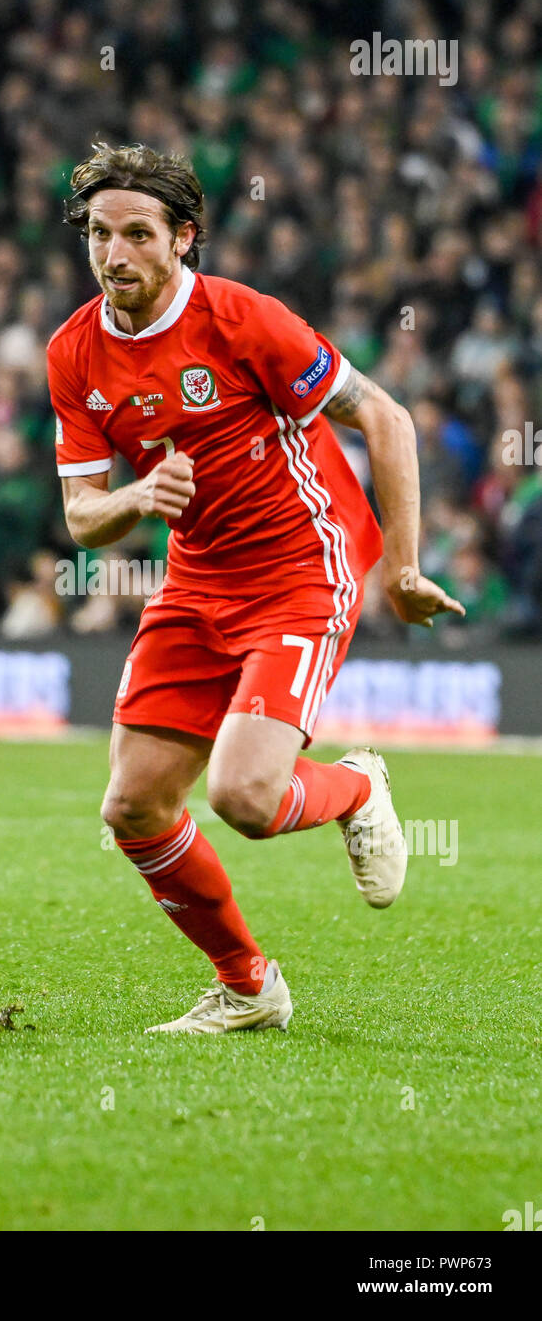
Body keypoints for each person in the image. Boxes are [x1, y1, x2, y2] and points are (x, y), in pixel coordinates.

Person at [47, 142, 466, 1034]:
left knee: (243, 797)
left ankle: (355, 787)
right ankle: (248, 987)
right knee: (132, 807)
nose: (113, 254)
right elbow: (83, 516)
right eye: (97, 234)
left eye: (136, 234)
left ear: (183, 239)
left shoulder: (244, 321)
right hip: (197, 581)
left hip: (300, 571)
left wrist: (402, 567)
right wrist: (134, 496)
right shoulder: (74, 351)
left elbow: (384, 417)